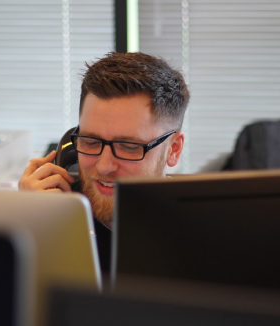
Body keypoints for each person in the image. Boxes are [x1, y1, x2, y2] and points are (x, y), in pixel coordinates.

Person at [19, 52, 190, 272]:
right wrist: (25, 226)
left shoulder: (201, 241)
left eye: (129, 146)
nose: (104, 166)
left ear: (173, 149)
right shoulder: (49, 218)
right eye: (90, 141)